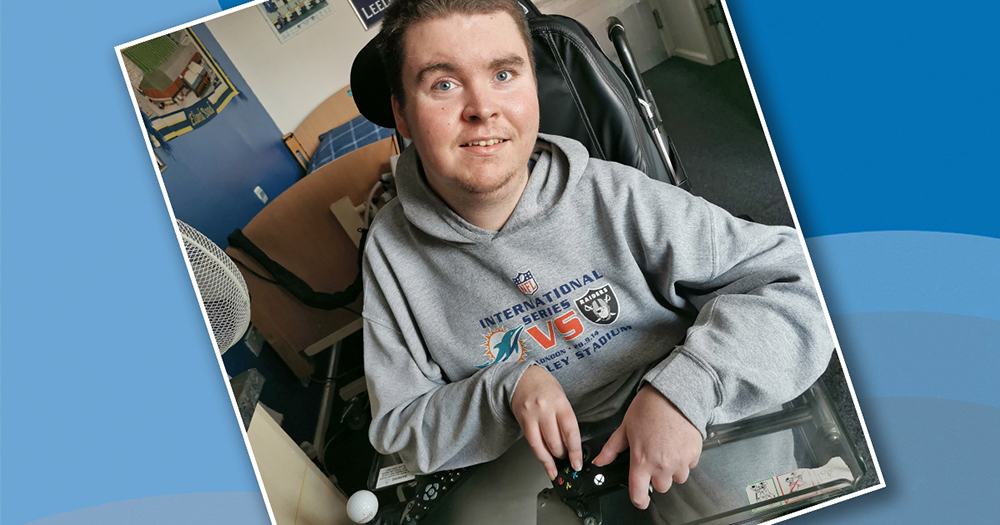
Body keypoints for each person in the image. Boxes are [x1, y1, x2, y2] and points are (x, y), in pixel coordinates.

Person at [361, 0, 833, 510]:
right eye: (444, 84)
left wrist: (688, 386)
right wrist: (505, 389)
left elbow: (800, 278)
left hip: (686, 392)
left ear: (532, 86)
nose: (482, 108)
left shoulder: (616, 196)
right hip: (532, 452)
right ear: (402, 114)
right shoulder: (390, 254)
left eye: (503, 73)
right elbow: (400, 425)